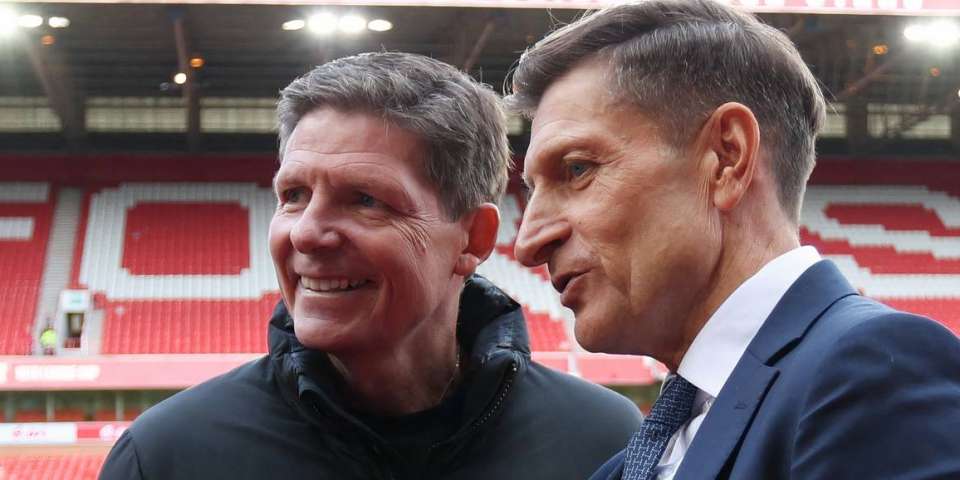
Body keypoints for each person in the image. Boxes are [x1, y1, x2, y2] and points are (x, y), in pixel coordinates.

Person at [99, 52, 641, 480]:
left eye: (365, 200)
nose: (306, 232)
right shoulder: (166, 457)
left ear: (473, 237)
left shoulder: (604, 443)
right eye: (293, 195)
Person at [508, 1, 960, 479]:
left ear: (726, 157)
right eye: (532, 191)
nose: (528, 242)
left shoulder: (875, 370)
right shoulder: (626, 466)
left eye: (577, 169)